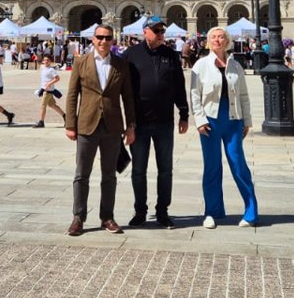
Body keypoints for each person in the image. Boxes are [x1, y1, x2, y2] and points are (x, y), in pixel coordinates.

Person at [65, 24, 136, 236]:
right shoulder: (80, 62)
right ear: (93, 40)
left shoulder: (121, 65)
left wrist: (130, 126)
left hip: (113, 126)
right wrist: (70, 124)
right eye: (99, 37)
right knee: (81, 174)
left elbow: (128, 98)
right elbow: (71, 95)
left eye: (107, 38)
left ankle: (107, 217)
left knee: (109, 175)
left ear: (113, 41)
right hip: (87, 124)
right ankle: (78, 217)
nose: (103, 41)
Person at [124, 15, 189, 228]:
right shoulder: (130, 55)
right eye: (156, 31)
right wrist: (127, 123)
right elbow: (123, 91)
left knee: (166, 169)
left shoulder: (170, 55)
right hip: (139, 123)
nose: (161, 34)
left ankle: (162, 211)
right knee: (139, 170)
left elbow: (179, 85)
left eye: (162, 31)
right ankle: (140, 211)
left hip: (164, 122)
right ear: (145, 32)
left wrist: (184, 113)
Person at [190, 26, 258, 228]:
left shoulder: (236, 65)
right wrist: (200, 120)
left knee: (239, 165)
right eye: (213, 37)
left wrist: (247, 121)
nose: (217, 40)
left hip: (233, 118)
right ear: (208, 41)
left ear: (227, 41)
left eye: (221, 37)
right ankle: (212, 212)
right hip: (210, 119)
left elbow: (244, 95)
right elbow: (194, 95)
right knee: (212, 166)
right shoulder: (201, 65)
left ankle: (251, 212)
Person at [33, 55, 67, 128]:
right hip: (44, 89)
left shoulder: (51, 70)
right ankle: (65, 117)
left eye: (47, 60)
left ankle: (41, 122)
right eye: (45, 60)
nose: (46, 61)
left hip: (48, 91)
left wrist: (49, 83)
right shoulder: (42, 67)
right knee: (52, 105)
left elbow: (57, 78)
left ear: (50, 62)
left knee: (43, 105)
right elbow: (39, 62)